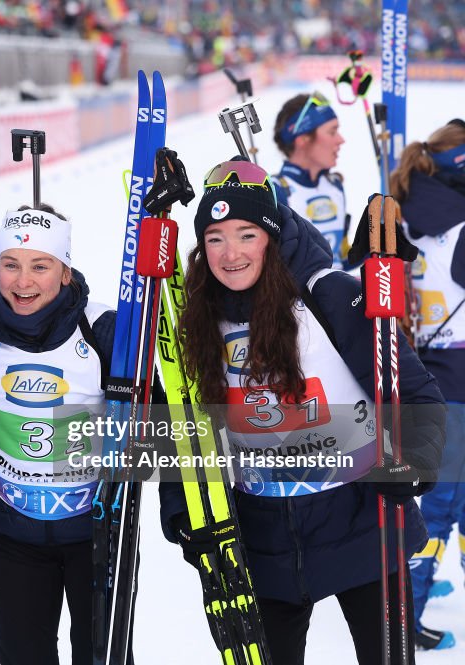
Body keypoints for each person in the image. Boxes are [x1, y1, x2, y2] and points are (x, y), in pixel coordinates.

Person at [159, 159, 445, 664]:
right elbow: (187, 424)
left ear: (271, 235)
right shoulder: (199, 316)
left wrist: (412, 463)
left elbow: (419, 396)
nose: (231, 254)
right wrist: (183, 508)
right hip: (261, 541)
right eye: (216, 238)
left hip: (361, 529)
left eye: (246, 234)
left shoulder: (328, 295)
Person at [0, 203, 115, 665]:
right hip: (14, 531)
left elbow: (154, 416)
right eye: (11, 265)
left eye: (40, 266)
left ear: (65, 272)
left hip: (95, 535)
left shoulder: (101, 329)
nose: (23, 282)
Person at [392, 118, 465, 651]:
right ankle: (407, 612)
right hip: (456, 380)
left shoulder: (403, 206)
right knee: (442, 506)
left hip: (420, 374)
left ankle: (410, 598)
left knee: (437, 504)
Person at [272, 91, 349, 269]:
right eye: (332, 132)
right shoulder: (276, 192)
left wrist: (375, 244)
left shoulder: (335, 186)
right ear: (303, 139)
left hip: (338, 295)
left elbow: (339, 258)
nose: (341, 140)